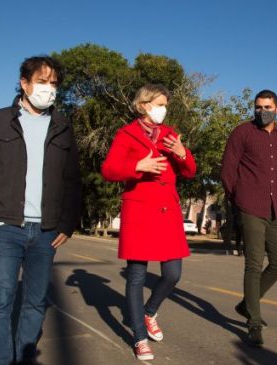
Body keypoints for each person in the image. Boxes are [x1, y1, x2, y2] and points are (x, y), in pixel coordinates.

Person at [0, 56, 82, 365]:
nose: (49, 89)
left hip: (46, 232)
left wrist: (68, 223)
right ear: (24, 83)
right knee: (0, 303)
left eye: (54, 84)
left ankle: (24, 358)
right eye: (42, 81)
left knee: (35, 303)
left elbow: (73, 181)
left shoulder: (63, 127)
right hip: (4, 227)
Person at [101, 84, 196, 361]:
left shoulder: (169, 135)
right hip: (140, 214)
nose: (163, 109)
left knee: (173, 274)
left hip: (168, 213)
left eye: (166, 104)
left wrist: (181, 151)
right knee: (136, 277)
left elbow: (190, 172)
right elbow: (108, 170)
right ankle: (140, 337)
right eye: (159, 104)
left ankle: (149, 311)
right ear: (143, 105)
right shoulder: (126, 134)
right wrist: (137, 167)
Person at [221, 89, 277, 348]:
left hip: (276, 208)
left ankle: (246, 304)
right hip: (250, 206)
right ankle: (253, 322)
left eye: (267, 107)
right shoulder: (242, 132)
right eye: (258, 107)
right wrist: (238, 201)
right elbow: (228, 170)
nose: (263, 112)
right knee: (253, 265)